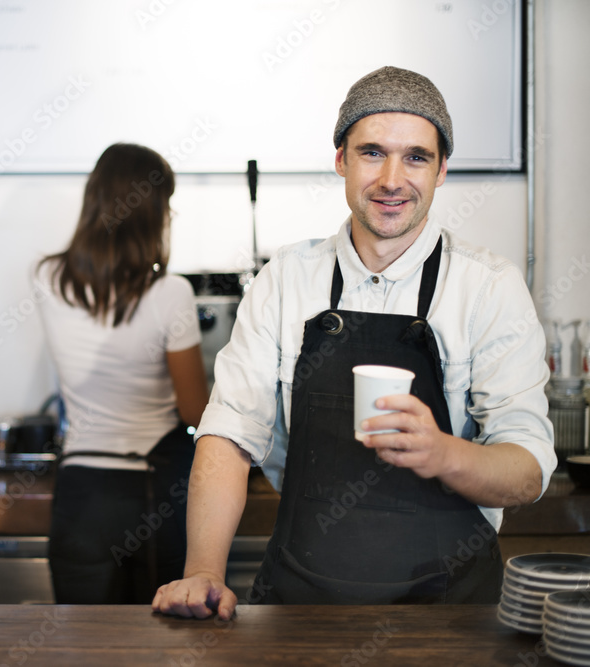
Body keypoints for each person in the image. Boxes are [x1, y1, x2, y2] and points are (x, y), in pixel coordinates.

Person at [152, 66, 556, 617]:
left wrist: (442, 453)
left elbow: (527, 469)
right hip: (300, 606)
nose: (393, 178)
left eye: (416, 156)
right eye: (372, 153)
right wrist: (202, 571)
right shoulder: (286, 279)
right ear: (340, 159)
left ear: (441, 171)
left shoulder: (487, 288)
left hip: (450, 613)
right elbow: (227, 436)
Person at [34, 142, 209, 604]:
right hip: (152, 494)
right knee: (158, 647)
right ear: (152, 212)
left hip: (80, 495)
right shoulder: (172, 293)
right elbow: (195, 410)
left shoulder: (48, 278)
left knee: (82, 649)